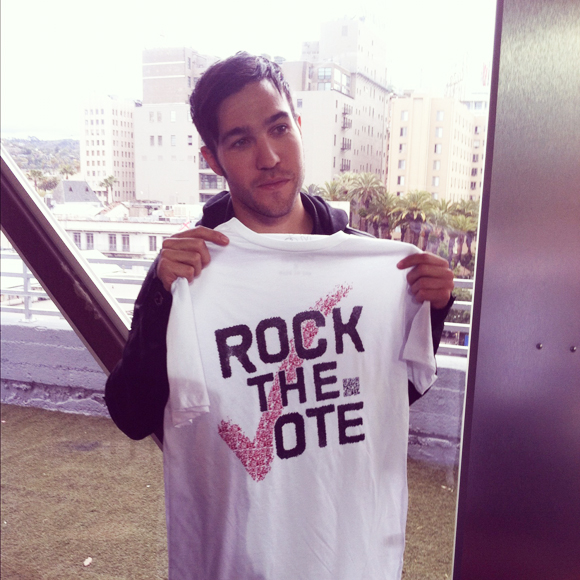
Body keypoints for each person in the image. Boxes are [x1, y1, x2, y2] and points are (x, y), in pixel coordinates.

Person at [105, 52, 454, 579]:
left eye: (279, 128)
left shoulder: (368, 264)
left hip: (348, 556)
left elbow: (387, 394)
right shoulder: (189, 271)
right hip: (237, 559)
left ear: (298, 125)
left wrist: (434, 308)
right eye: (240, 141)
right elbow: (132, 413)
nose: (268, 157)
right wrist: (161, 296)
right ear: (213, 159)